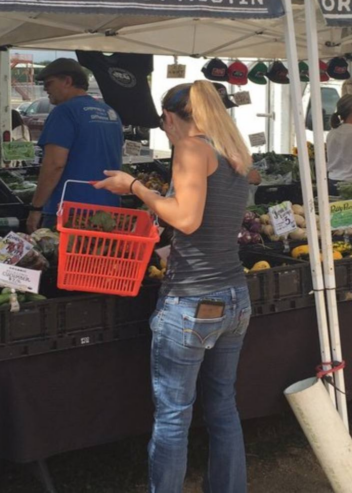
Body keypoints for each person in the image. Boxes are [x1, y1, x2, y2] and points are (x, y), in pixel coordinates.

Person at [96, 81, 252, 493]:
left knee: (173, 416)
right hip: (234, 296)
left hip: (191, 301)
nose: (165, 131)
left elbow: (186, 220)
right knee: (222, 407)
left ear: (170, 117)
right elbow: (209, 228)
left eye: (164, 123)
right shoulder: (236, 155)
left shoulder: (191, 150)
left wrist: (135, 187)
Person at [27, 58, 124, 231]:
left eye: (49, 83)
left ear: (67, 81)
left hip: (71, 211)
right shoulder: (110, 112)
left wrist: (36, 208)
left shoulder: (64, 112)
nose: (45, 89)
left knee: (61, 257)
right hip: (108, 208)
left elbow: (54, 164)